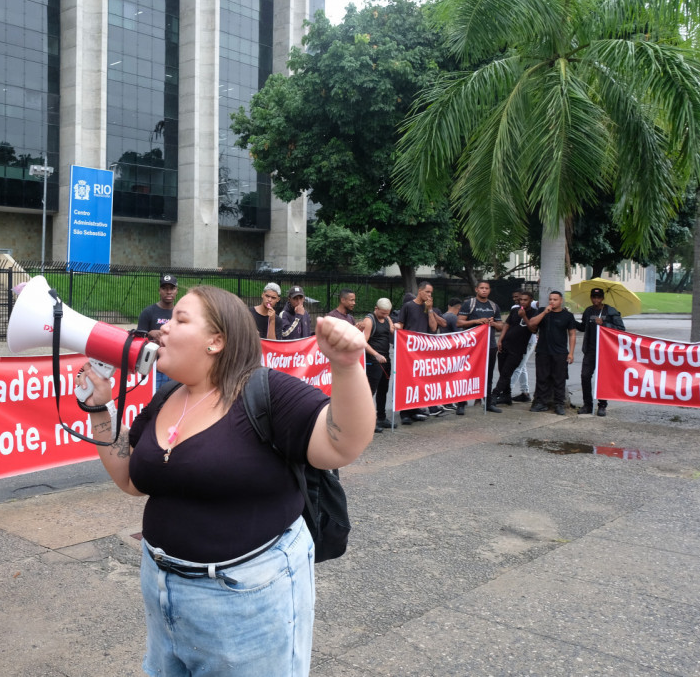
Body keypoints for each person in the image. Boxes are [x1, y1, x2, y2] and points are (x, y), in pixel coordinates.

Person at [77, 285, 375, 676]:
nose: (163, 328)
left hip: (247, 600)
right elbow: (132, 481)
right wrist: (99, 409)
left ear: (216, 341)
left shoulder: (266, 391)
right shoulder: (165, 399)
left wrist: (346, 366)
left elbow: (342, 445)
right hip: (163, 588)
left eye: (181, 320)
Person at [395, 282, 439, 425]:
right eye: (427, 292)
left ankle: (414, 409)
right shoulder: (408, 306)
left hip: (423, 350)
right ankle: (405, 413)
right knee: (407, 380)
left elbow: (433, 327)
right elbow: (401, 326)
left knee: (419, 381)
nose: (429, 295)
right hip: (409, 350)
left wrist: (430, 310)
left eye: (431, 292)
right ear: (420, 291)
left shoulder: (428, 308)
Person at [577, 287, 625, 417]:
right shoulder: (588, 311)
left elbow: (621, 329)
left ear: (602, 298)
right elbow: (582, 327)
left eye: (598, 297)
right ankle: (587, 404)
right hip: (590, 350)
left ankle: (602, 405)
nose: (596, 300)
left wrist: (604, 324)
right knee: (585, 376)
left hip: (605, 351)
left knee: (602, 378)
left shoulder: (610, 311)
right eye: (593, 297)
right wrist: (570, 320)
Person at [457, 280, 504, 413]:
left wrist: (493, 323)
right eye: (481, 288)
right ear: (476, 289)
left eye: (486, 288)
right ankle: (461, 404)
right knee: (466, 374)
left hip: (490, 346)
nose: (484, 290)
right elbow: (459, 322)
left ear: (489, 290)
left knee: (488, 375)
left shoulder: (494, 306)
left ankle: (488, 403)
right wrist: (476, 321)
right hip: (472, 347)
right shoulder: (469, 304)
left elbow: (501, 326)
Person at [528, 291, 577, 415]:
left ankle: (559, 404)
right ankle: (541, 403)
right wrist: (545, 312)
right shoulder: (542, 311)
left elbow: (572, 334)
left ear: (561, 301)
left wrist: (571, 353)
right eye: (550, 299)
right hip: (543, 351)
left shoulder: (567, 316)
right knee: (542, 378)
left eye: (555, 299)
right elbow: (532, 323)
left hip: (560, 352)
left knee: (559, 379)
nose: (552, 302)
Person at [494, 291, 535, 405]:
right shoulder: (514, 310)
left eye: (525, 300)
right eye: (520, 299)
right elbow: (507, 324)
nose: (522, 301)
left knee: (509, 371)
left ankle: (495, 394)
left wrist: (524, 316)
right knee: (502, 371)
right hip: (506, 344)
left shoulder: (533, 313)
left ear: (531, 300)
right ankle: (507, 395)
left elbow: (533, 329)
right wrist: (501, 339)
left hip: (518, 348)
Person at [139, 273, 179, 386]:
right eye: (165, 288)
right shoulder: (148, 312)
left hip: (174, 368)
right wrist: (149, 334)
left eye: (172, 288)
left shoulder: (179, 313)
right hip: (153, 368)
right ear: (159, 291)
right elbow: (137, 341)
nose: (169, 291)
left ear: (176, 291)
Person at [361, 298, 394, 431]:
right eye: (383, 313)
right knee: (370, 391)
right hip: (373, 360)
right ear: (376, 309)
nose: (385, 315)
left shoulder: (387, 318)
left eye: (387, 313)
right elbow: (363, 341)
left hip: (385, 359)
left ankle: (381, 416)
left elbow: (393, 331)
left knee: (383, 390)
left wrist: (395, 326)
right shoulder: (369, 320)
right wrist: (375, 354)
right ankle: (368, 421)